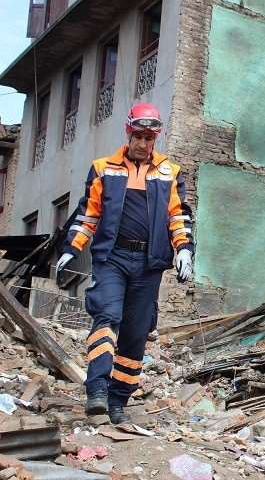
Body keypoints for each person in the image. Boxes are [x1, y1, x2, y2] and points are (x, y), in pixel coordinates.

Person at [55, 103, 194, 423]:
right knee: (107, 314)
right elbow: (88, 215)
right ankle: (97, 391)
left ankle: (117, 401)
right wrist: (70, 248)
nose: (144, 144)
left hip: (149, 262)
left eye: (150, 138)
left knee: (136, 332)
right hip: (112, 257)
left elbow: (177, 216)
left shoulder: (169, 172)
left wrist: (184, 249)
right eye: (139, 136)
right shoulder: (104, 168)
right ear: (128, 133)